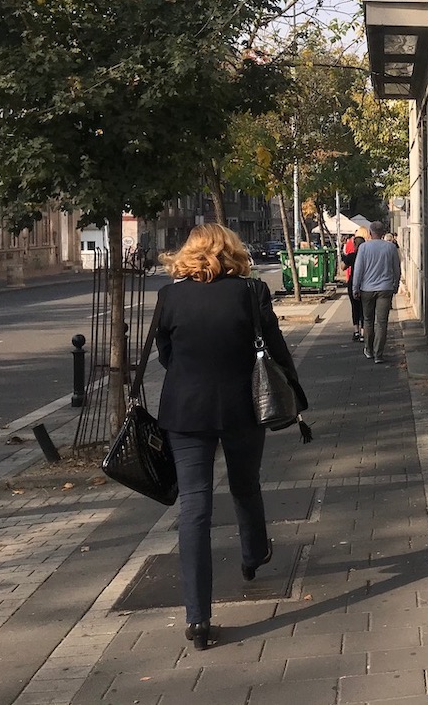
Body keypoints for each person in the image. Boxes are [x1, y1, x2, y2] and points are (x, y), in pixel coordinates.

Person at [154, 223, 309, 649]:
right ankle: (253, 554)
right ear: (232, 251)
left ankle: (197, 619)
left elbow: (166, 355)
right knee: (245, 484)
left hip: (185, 413)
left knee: (194, 507)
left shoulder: (168, 297)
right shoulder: (251, 292)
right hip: (244, 408)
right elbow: (274, 347)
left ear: (188, 253)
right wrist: (294, 391)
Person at [350, 220, 402, 364]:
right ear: (383, 233)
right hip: (385, 288)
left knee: (368, 320)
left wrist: (355, 288)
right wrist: (396, 285)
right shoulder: (390, 247)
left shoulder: (364, 247)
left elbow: (358, 270)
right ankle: (379, 353)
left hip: (367, 289)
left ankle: (369, 349)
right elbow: (396, 269)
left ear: (370, 233)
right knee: (382, 322)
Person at [342, 227, 368, 342]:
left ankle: (356, 331)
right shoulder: (367, 256)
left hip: (352, 283)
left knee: (355, 307)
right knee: (364, 308)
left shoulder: (352, 256)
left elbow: (343, 267)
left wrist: (344, 258)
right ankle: (363, 332)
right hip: (366, 284)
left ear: (354, 245)